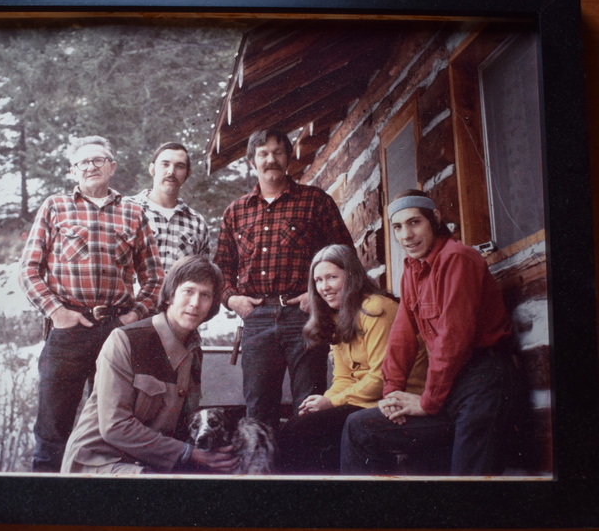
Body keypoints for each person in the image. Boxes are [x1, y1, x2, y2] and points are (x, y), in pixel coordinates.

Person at [340, 189, 519, 476]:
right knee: (360, 427)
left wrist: (428, 401)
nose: (406, 235)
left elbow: (454, 339)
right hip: (449, 387)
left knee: (466, 481)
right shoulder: (412, 268)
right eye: (397, 227)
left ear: (434, 219)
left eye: (414, 223)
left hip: (484, 382)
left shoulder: (458, 258)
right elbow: (401, 335)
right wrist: (392, 394)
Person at [19, 135, 164, 473]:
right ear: (73, 171)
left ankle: (101, 496)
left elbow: (155, 278)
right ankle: (46, 500)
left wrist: (133, 316)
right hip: (69, 330)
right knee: (53, 425)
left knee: (111, 421)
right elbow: (27, 270)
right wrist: (58, 313)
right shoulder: (55, 206)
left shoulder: (133, 212)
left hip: (117, 331)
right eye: (83, 162)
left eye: (98, 160)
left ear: (112, 167)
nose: (90, 167)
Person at [214, 129, 354, 430]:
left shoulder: (315, 201)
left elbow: (345, 256)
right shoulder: (235, 212)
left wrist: (315, 298)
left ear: (288, 158)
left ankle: (305, 475)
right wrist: (232, 299)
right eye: (263, 154)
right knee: (258, 407)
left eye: (278, 152)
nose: (271, 160)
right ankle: (261, 473)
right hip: (257, 317)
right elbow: (221, 267)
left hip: (304, 316)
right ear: (252, 161)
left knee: (310, 405)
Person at [61, 255, 238, 475]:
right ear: (170, 295)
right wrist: (188, 454)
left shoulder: (193, 350)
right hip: (99, 461)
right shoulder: (125, 341)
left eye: (205, 295)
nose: (195, 303)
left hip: (151, 461)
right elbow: (115, 426)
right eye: (188, 291)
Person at [277, 244, 427, 474]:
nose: (324, 287)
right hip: (362, 400)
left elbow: (381, 379)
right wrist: (324, 402)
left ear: (352, 276)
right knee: (296, 427)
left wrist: (332, 403)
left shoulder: (377, 309)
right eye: (318, 281)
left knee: (304, 431)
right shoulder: (340, 316)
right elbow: (343, 376)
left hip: (397, 399)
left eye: (331, 277)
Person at [130, 142, 211, 273]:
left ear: (188, 174)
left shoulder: (197, 223)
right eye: (165, 164)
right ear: (152, 169)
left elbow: (201, 277)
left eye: (179, 166)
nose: (171, 171)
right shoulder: (125, 209)